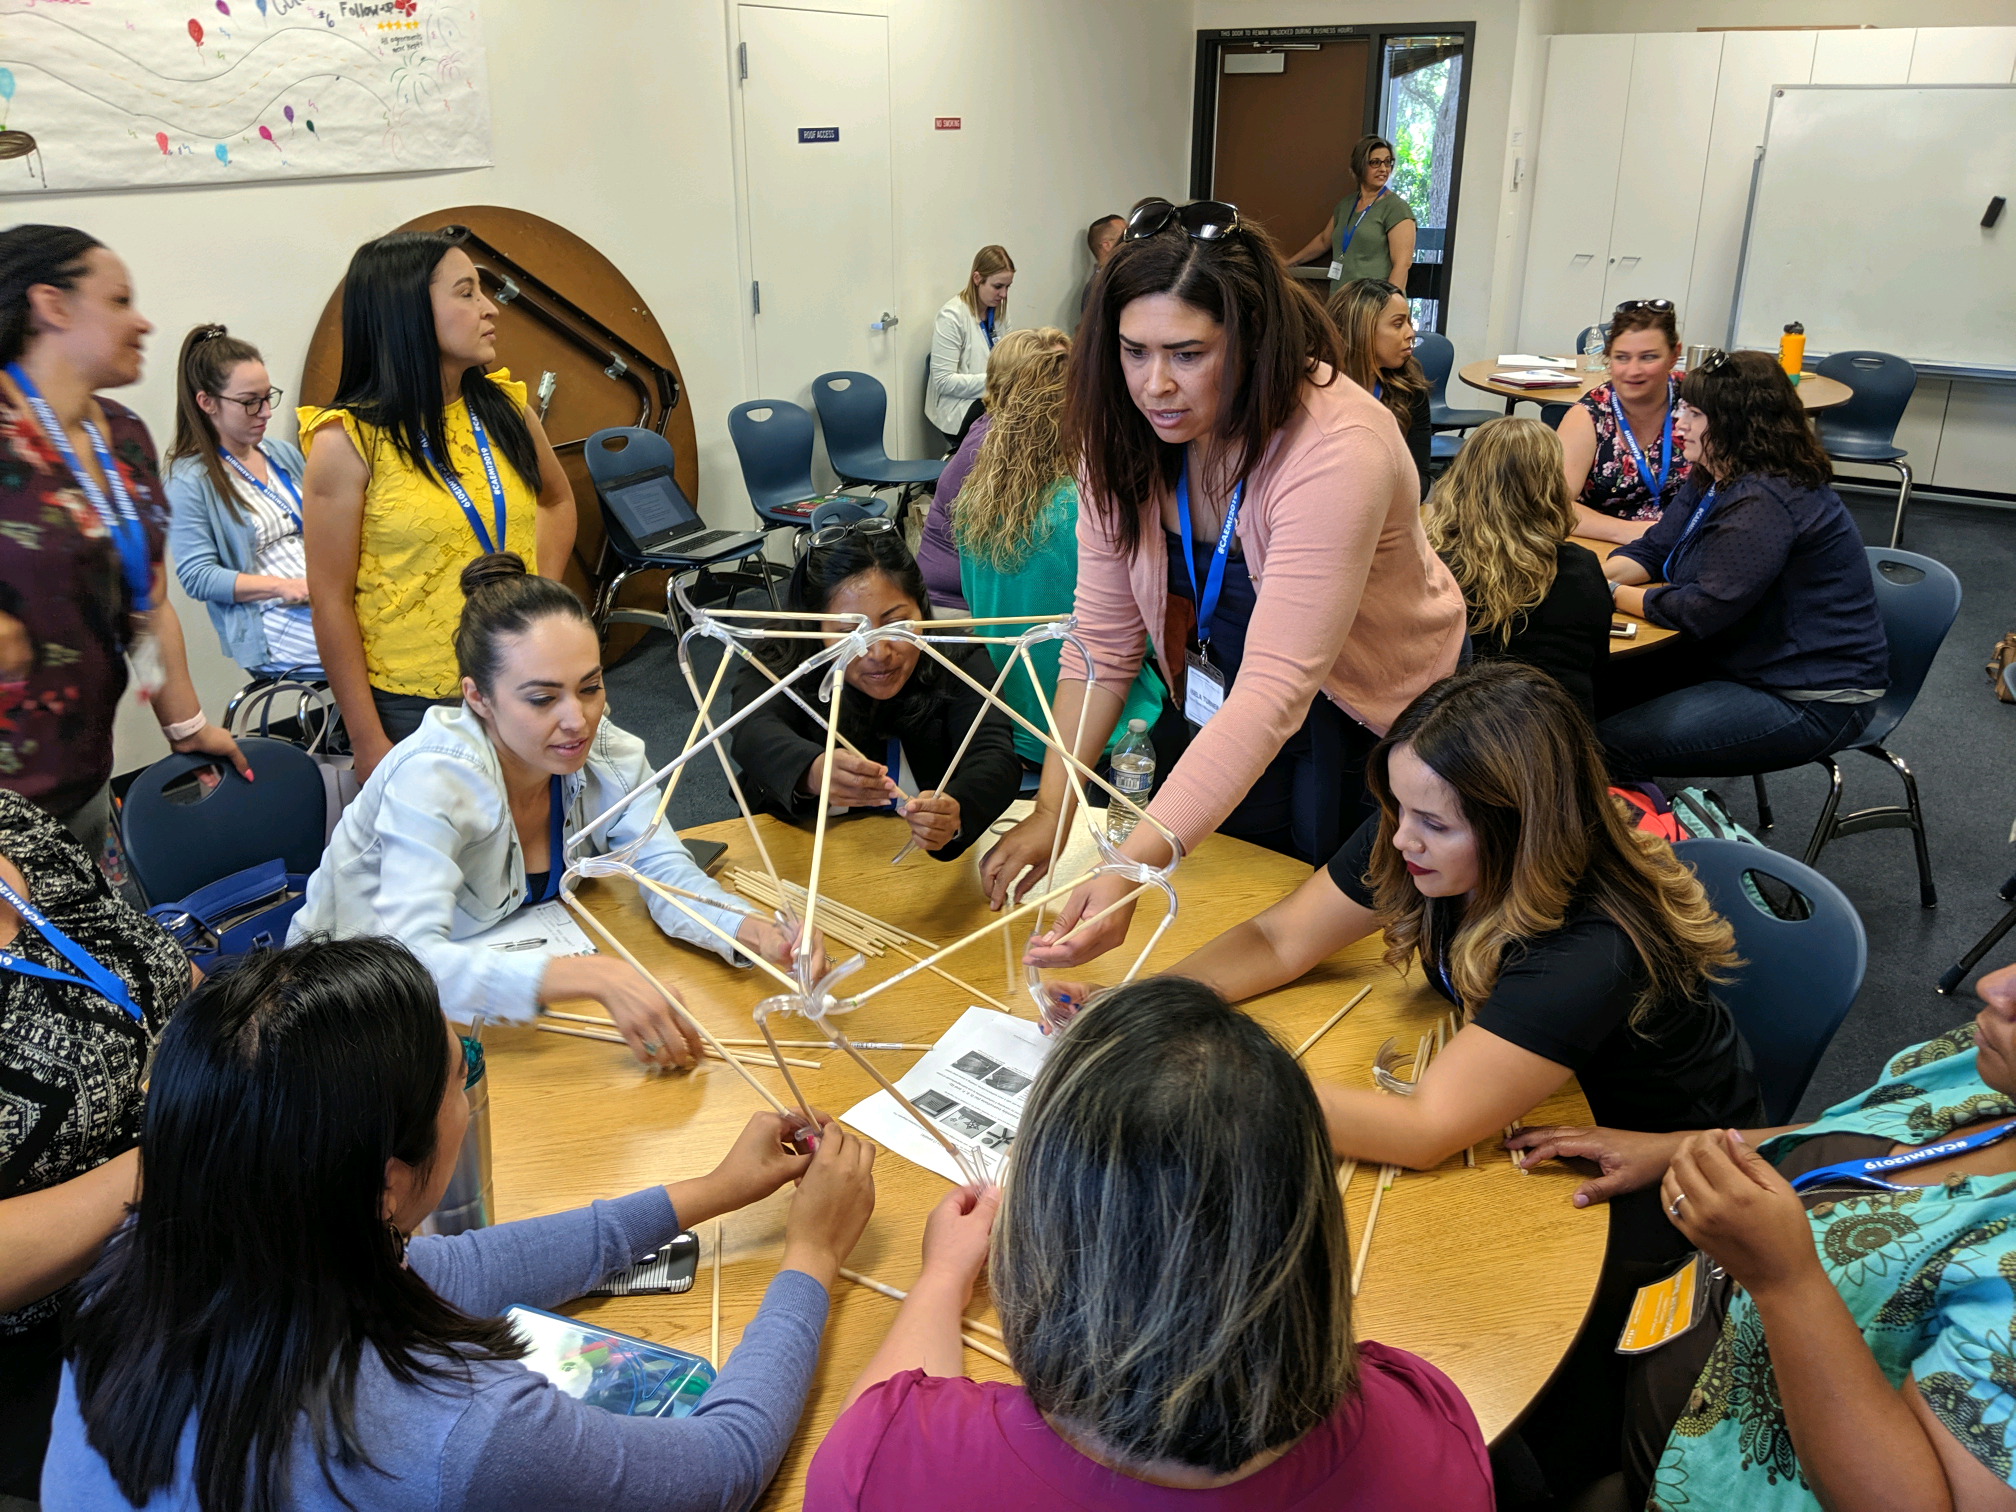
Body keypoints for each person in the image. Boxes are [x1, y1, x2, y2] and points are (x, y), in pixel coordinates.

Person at [44, 936, 879, 1512]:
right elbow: (724, 1465)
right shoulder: (467, 1430)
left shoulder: (144, 1264)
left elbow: (458, 1269)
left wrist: (713, 1189)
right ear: (388, 1183)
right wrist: (810, 1255)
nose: (468, 1100)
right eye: (456, 1081)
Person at [804, 975, 1493, 1510]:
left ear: (1049, 1238)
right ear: (1306, 1229)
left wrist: (940, 1280)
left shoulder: (887, 1470)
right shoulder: (1428, 1429)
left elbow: (882, 1430)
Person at [989, 198, 1465, 968]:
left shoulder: (1336, 449)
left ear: (1250, 341)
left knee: (1338, 949)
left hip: (1374, 721)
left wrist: (1130, 868)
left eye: (1187, 353)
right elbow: (1103, 644)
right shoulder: (1122, 433)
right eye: (1132, 351)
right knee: (1232, 900)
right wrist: (1054, 806)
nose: (1155, 386)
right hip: (1231, 702)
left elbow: (1278, 690)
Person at [1508, 957, 2016, 1512]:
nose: (1993, 987)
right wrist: (1676, 1146)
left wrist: (1786, 1283)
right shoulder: (1984, 1061)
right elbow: (1867, 1130)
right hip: (1686, 1337)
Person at [291, 553, 804, 1069]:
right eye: (542, 699)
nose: (577, 720)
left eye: (591, 687)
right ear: (478, 698)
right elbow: (410, 964)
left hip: (485, 993)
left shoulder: (605, 751)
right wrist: (596, 976)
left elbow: (662, 869)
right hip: (343, 1014)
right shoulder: (434, 777)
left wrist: (750, 928)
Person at [0, 225, 248, 858]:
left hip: (81, 786)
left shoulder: (124, 435)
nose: (142, 323)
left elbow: (146, 600)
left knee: (117, 956)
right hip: (5, 811)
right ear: (51, 306)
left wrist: (186, 725)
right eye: (118, 301)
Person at [301, 227, 576, 782]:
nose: (490, 309)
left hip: (523, 679)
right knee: (446, 862)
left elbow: (557, 500)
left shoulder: (504, 407)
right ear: (407, 313)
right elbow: (329, 600)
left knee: (541, 846)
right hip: (416, 703)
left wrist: (538, 603)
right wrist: (367, 738)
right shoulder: (347, 441)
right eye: (466, 292)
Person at [0, 790, 194, 1502]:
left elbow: (150, 968)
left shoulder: (13, 826)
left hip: (192, 1255)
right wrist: (186, 1151)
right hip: (48, 1365)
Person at [1597, 349, 1888, 781]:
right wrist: (1593, 578)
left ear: (1736, 422)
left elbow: (1701, 609)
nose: (1679, 423)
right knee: (1580, 698)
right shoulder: (1715, 472)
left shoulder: (1766, 498)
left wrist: (1612, 594)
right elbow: (1655, 548)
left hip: (1808, 695)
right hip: (1739, 658)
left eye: (1694, 413)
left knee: (1605, 747)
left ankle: (1635, 840)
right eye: (1683, 407)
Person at [728, 520, 1020, 864]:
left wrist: (956, 811)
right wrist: (811, 770)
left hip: (922, 870)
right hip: (793, 852)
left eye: (895, 623)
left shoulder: (958, 658)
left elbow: (994, 754)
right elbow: (753, 729)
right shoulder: (777, 659)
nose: (878, 652)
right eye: (849, 632)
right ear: (814, 626)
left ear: (921, 609)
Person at [951, 328, 1167, 772]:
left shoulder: (975, 500)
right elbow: (1134, 642)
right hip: (1105, 737)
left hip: (1015, 729)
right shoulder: (1088, 508)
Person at [1424, 417, 1611, 720]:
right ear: (1550, 487)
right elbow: (1599, 668)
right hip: (1561, 742)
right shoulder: (1580, 568)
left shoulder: (1436, 570)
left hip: (1463, 743)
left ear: (1461, 479)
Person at [164, 323, 322, 681]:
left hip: (320, 595)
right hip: (270, 617)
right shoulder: (188, 479)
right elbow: (198, 577)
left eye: (268, 397)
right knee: (367, 649)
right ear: (207, 403)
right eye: (250, 402)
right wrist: (285, 587)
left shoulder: (279, 454)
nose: (266, 412)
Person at [915, 329, 1073, 614]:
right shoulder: (994, 445)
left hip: (984, 598)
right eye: (1057, 375)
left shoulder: (1010, 431)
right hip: (955, 604)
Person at [1559, 300, 1692, 544]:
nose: (1633, 370)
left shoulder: (1697, 401)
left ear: (1674, 355)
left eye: (1648, 357)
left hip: (1686, 547)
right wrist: (1631, 533)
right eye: (1622, 358)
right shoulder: (1590, 414)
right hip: (1606, 546)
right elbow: (1553, 507)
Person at [1328, 276, 1430, 495]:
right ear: (1362, 330)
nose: (1410, 333)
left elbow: (1420, 482)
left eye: (1409, 322)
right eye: (1397, 324)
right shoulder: (1315, 390)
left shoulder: (1410, 391)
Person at [1288, 135, 1417, 294]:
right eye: (1375, 162)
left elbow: (1403, 264)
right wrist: (1289, 263)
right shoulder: (1346, 204)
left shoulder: (1397, 208)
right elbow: (1323, 241)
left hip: (1372, 307)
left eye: (1387, 162)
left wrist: (1389, 306)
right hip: (1341, 302)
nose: (1383, 169)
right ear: (1360, 165)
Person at [926, 245, 1014, 447]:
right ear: (977, 279)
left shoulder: (1000, 313)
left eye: (1008, 287)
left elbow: (1010, 362)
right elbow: (943, 381)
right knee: (1012, 425)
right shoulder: (952, 316)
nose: (1004, 294)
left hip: (993, 398)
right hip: (959, 406)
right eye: (998, 286)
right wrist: (994, 382)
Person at [1077, 212, 1124, 319]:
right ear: (1106, 245)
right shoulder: (1099, 288)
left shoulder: (1115, 280)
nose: (1131, 242)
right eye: (1124, 236)